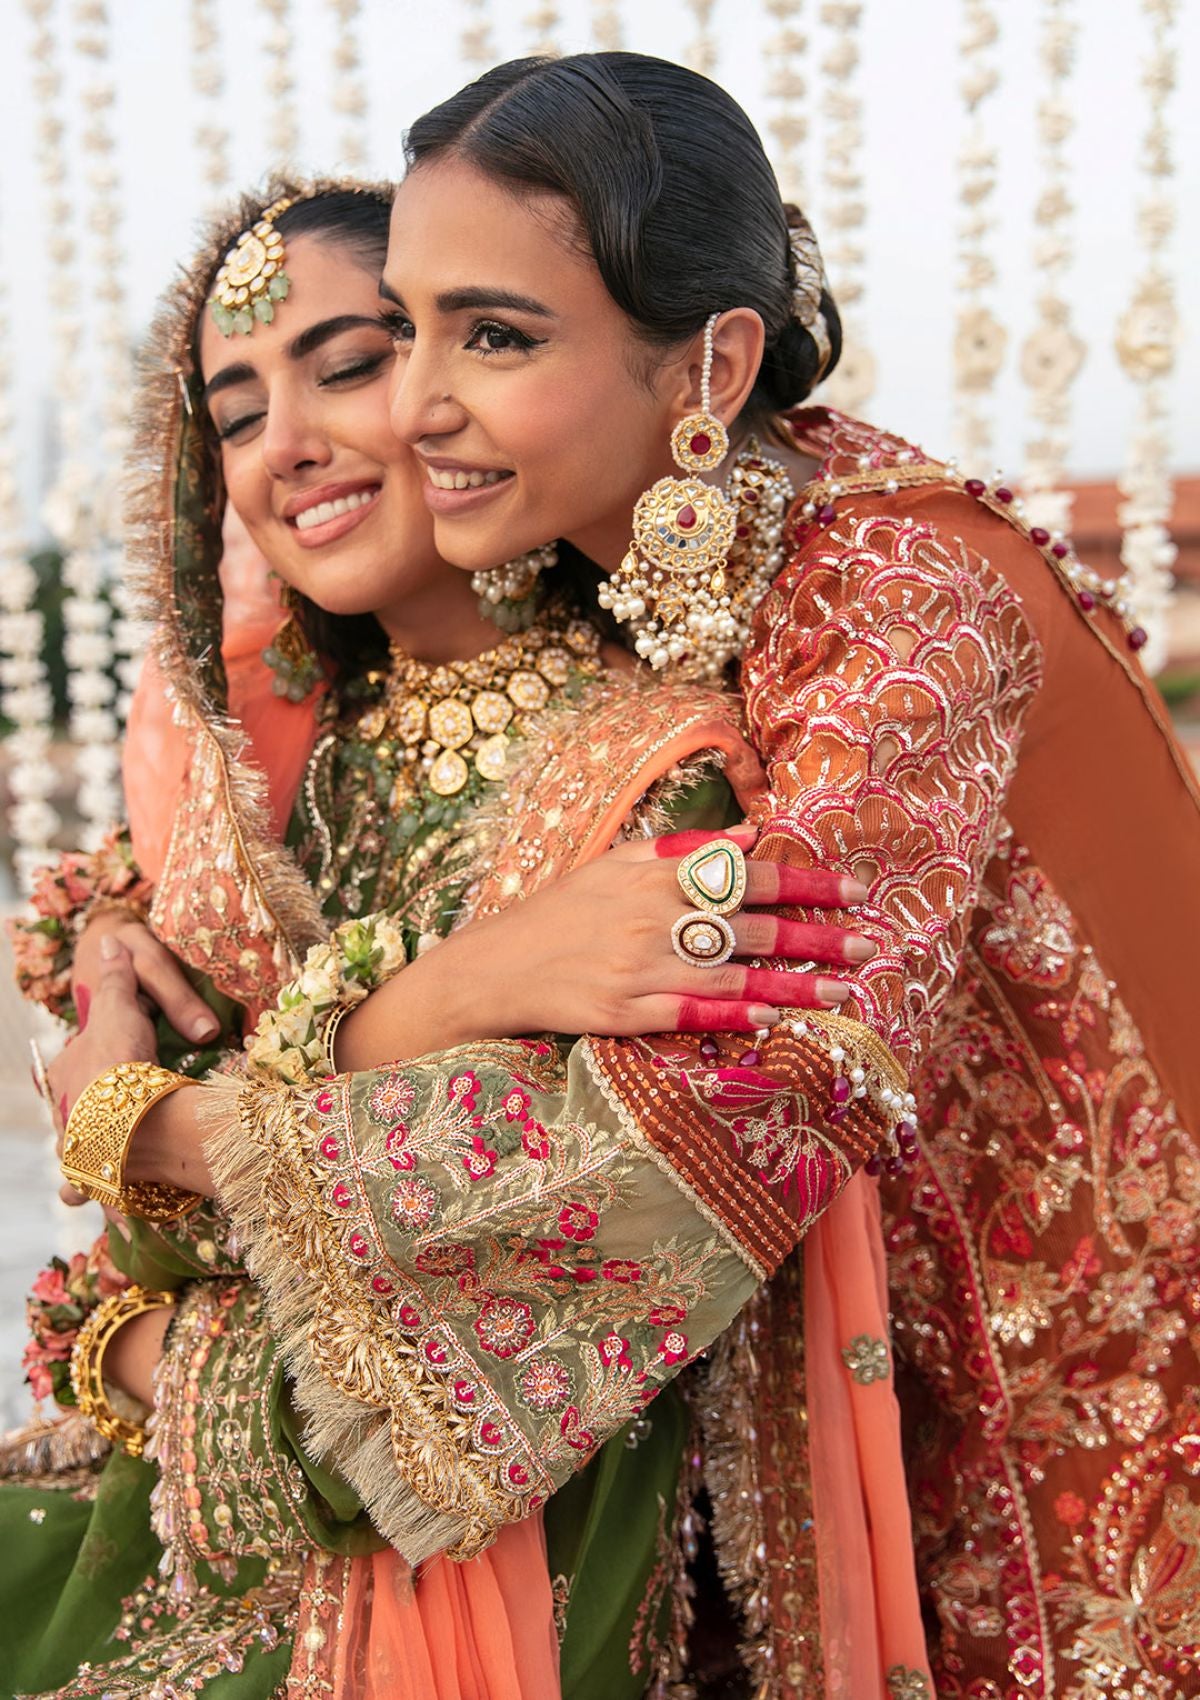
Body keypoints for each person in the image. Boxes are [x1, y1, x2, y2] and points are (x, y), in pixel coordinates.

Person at [3, 172, 865, 1699]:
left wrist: (139, 1325)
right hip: (177, 1535)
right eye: (234, 413)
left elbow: (527, 1302)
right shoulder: (277, 773)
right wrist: (429, 1010)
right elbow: (135, 1235)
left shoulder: (659, 778)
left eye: (348, 365)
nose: (286, 445)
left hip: (463, 1592)